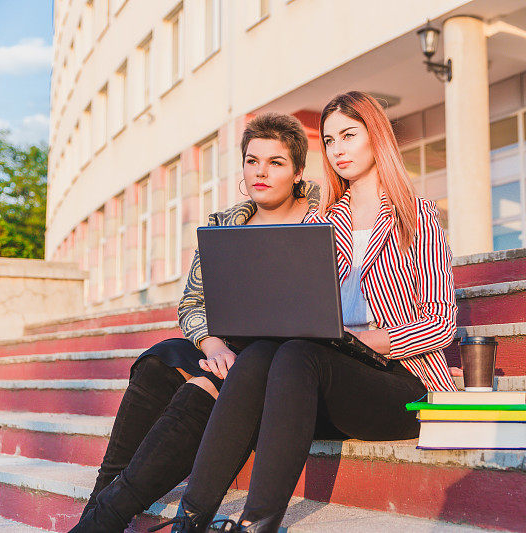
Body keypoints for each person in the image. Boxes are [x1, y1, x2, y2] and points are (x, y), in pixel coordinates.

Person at [162, 91, 458, 533]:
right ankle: (191, 520)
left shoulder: (415, 217)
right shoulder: (319, 222)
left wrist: (362, 342)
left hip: (400, 384)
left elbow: (441, 324)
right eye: (331, 139)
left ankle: (255, 525)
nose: (338, 149)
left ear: (376, 138)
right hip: (321, 380)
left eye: (349, 135)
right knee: (263, 353)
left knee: (299, 353)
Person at [70, 112, 319, 532]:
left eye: (275, 162)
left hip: (280, 356)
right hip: (225, 344)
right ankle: (98, 507)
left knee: (202, 389)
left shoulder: (324, 222)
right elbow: (192, 302)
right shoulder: (225, 224)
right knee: (158, 360)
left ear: (297, 171)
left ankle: (102, 519)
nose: (260, 171)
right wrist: (211, 344)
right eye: (252, 160)